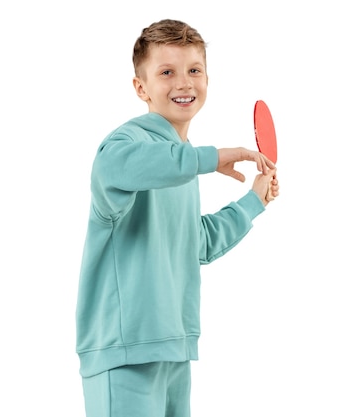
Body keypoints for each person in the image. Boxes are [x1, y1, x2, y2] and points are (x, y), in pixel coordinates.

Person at [75, 19, 279, 417]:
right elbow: (117, 168)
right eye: (166, 72)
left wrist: (254, 200)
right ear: (141, 87)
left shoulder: (178, 161)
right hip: (124, 352)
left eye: (194, 70)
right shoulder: (128, 143)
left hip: (174, 347)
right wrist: (209, 157)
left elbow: (195, 242)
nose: (183, 83)